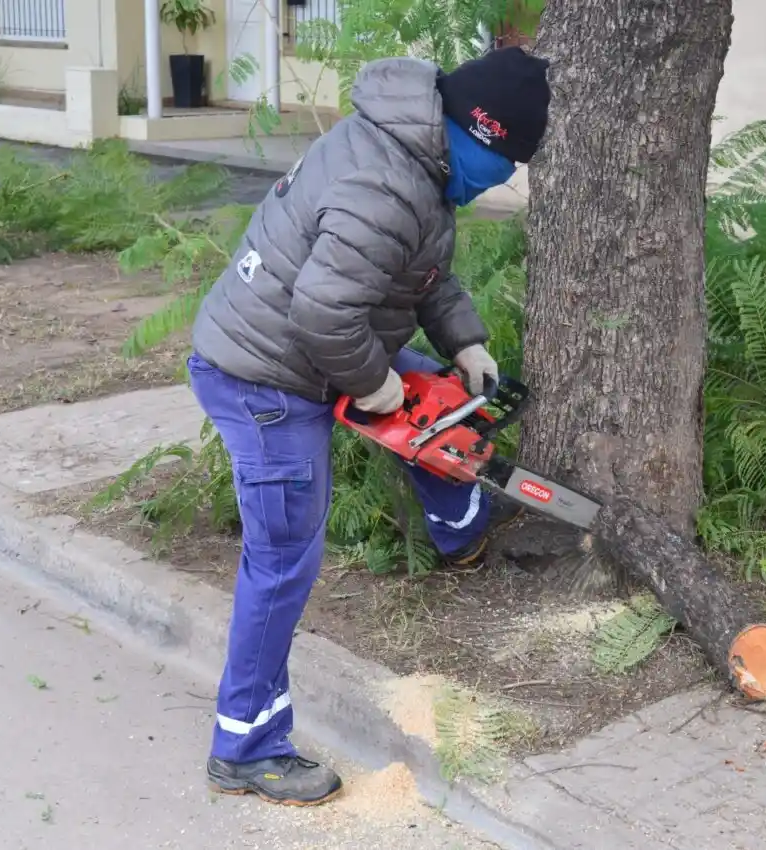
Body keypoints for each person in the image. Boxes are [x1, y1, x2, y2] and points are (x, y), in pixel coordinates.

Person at [185, 46, 552, 806]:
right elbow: (322, 312)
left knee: (440, 405)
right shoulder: (386, 185)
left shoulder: (416, 157)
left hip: (315, 344)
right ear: (476, 134)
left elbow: (422, 271)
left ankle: (461, 533)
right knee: (283, 557)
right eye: (503, 161)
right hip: (268, 375)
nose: (502, 179)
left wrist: (465, 342)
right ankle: (246, 746)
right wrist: (374, 385)